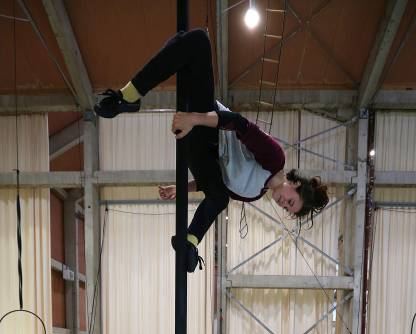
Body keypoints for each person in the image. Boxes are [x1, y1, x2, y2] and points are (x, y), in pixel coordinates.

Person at [94, 29, 329, 272]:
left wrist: (182, 188)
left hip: (197, 149)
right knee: (196, 42)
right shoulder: (274, 158)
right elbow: (238, 123)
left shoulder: (252, 193)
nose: (283, 204)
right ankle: (130, 95)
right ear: (296, 185)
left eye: (287, 208)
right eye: (290, 201)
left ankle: (189, 242)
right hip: (204, 126)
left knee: (219, 197)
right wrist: (193, 119)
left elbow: (213, 185)